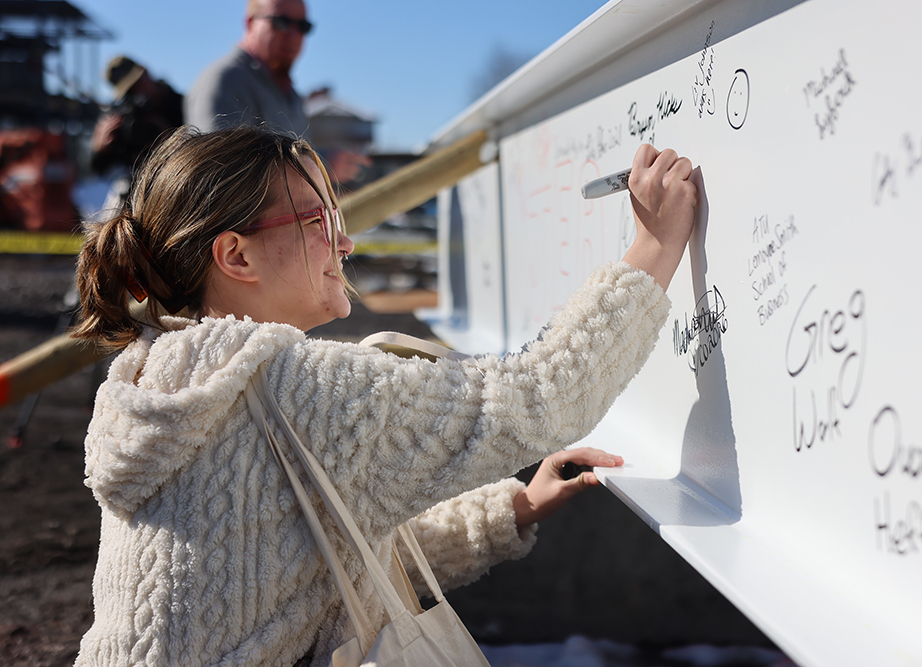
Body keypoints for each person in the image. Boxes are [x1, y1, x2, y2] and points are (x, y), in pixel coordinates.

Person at [70, 125, 697, 666]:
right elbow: (544, 394)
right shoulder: (294, 386)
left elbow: (323, 556)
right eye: (319, 222)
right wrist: (656, 243)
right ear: (236, 255)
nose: (344, 243)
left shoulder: (161, 375)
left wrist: (516, 507)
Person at [184, 0, 369, 183]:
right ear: (250, 23)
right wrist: (319, 165)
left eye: (303, 26)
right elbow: (222, 176)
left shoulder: (291, 95)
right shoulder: (226, 81)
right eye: (281, 22)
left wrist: (320, 166)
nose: (293, 34)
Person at [90, 56, 184, 214]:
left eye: (137, 84)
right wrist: (99, 148)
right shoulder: (125, 119)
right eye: (130, 92)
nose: (138, 94)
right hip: (133, 193)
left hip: (178, 192)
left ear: (145, 72)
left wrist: (173, 141)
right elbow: (99, 170)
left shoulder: (184, 106)